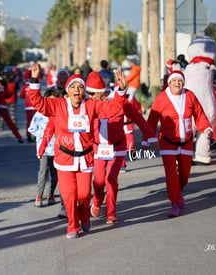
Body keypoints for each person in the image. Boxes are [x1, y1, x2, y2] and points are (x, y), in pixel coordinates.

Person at [27, 64, 128, 239]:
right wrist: (35, 81)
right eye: (73, 87)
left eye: (80, 87)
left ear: (84, 92)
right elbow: (38, 103)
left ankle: (84, 215)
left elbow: (112, 108)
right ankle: (73, 226)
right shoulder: (58, 105)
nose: (77, 90)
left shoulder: (91, 105)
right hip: (64, 159)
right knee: (70, 195)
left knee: (83, 194)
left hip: (85, 159)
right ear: (68, 90)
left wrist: (121, 89)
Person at [87, 72, 157, 224]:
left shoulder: (120, 101)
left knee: (111, 179)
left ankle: (111, 213)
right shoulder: (89, 104)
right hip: (98, 147)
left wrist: (150, 136)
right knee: (98, 181)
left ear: (101, 91)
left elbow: (138, 117)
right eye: (89, 93)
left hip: (117, 147)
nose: (90, 96)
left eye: (93, 93)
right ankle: (98, 201)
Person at [145, 71, 213, 217]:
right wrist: (149, 138)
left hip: (186, 142)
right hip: (167, 142)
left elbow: (199, 113)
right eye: (174, 80)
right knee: (171, 175)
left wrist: (206, 128)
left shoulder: (190, 95)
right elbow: (152, 119)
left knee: (184, 174)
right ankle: (174, 202)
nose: (177, 83)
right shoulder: (161, 98)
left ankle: (178, 192)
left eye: (180, 80)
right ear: (169, 83)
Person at [28, 89, 60, 207]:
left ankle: (51, 194)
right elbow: (32, 129)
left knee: (55, 173)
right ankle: (39, 195)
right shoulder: (39, 114)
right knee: (43, 172)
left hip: (57, 149)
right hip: (44, 149)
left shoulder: (60, 113)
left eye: (55, 100)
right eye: (50, 100)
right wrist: (42, 137)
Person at [19, 70, 37, 142]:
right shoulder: (35, 85)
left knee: (29, 122)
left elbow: (21, 95)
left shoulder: (25, 86)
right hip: (35, 105)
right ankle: (36, 136)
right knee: (36, 121)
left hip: (28, 106)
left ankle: (28, 136)